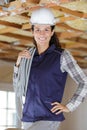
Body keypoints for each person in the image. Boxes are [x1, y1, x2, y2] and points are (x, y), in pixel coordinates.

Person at [13, 7, 87, 130]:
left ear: (52, 32)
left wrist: (70, 106)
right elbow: (18, 87)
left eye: (46, 29)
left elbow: (84, 81)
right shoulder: (27, 56)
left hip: (48, 117)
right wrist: (18, 64)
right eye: (38, 30)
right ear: (32, 32)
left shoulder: (62, 56)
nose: (42, 34)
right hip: (27, 118)